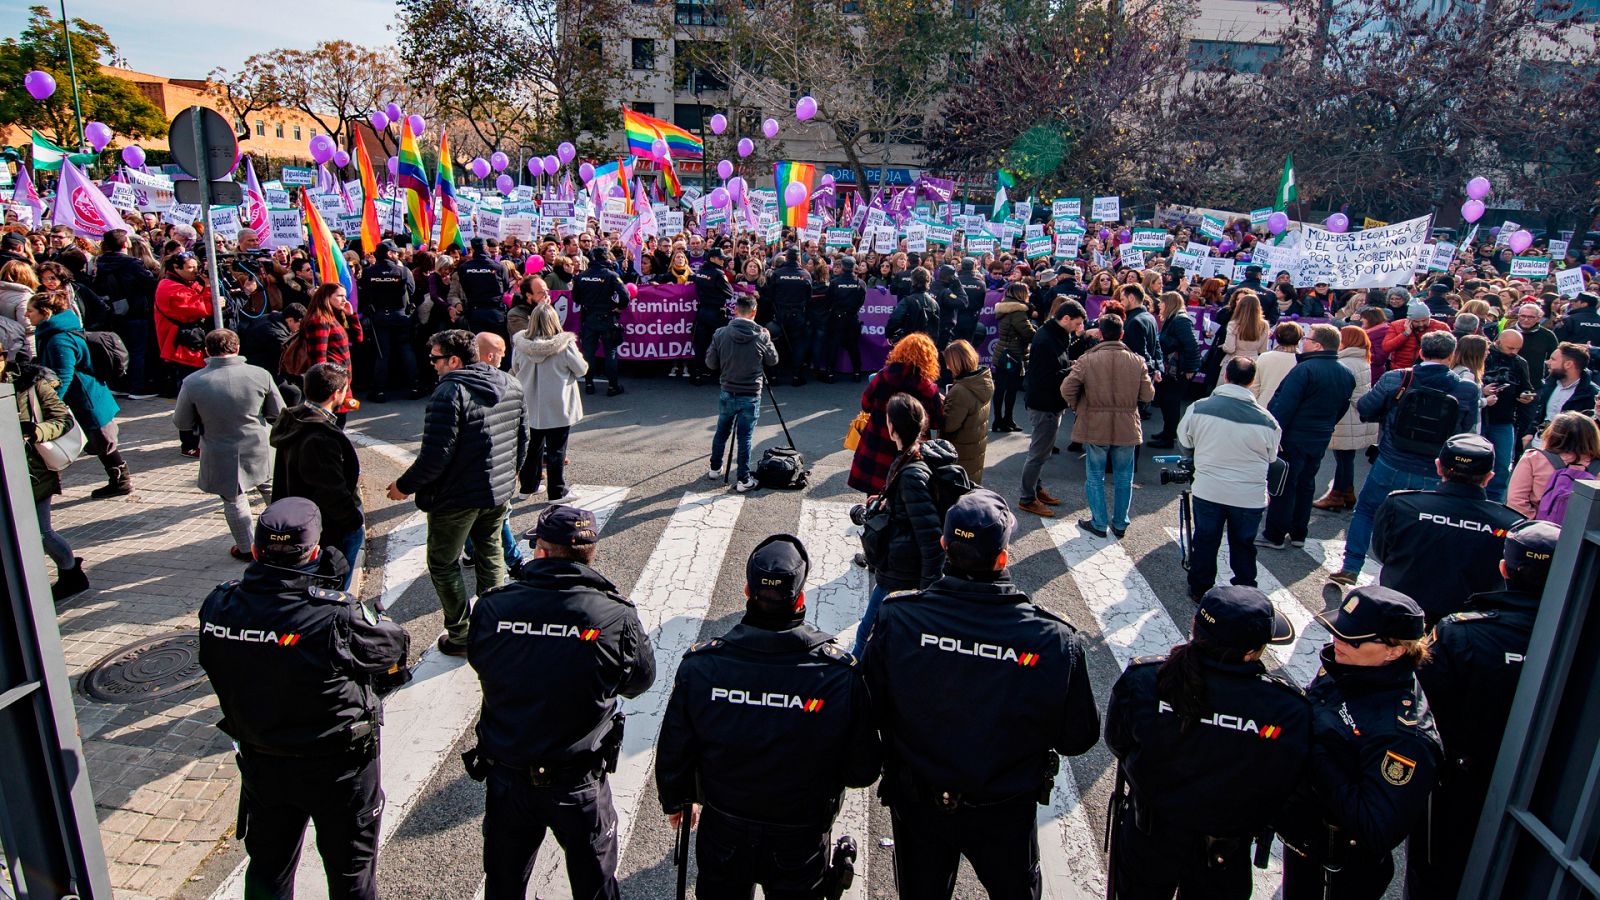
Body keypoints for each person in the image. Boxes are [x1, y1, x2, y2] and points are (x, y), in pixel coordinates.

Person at [861, 490, 1100, 899]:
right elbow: (1078, 738)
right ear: (1003, 557)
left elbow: (867, 708)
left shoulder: (898, 616)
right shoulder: (1052, 638)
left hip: (918, 801)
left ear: (943, 546)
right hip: (1005, 808)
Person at [197, 497, 409, 900]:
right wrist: (332, 590)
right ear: (313, 552)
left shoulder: (218, 605)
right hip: (339, 768)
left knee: (269, 868)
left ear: (256, 550)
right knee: (351, 875)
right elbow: (392, 653)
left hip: (264, 762)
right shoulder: (337, 615)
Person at [656, 534, 881, 899]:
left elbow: (674, 748)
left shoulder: (702, 666)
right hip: (801, 834)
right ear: (801, 598)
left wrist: (678, 800)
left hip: (724, 826)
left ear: (747, 591)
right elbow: (863, 771)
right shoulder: (840, 674)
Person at [465, 505, 655, 900]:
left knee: (503, 885)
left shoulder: (493, 606)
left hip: (508, 777)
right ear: (591, 553)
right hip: (579, 783)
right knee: (596, 888)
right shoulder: (615, 615)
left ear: (542, 553)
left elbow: (479, 659)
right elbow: (639, 682)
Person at [1106, 586, 1311, 899]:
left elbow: (1118, 742)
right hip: (1224, 850)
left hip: (1149, 833)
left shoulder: (1146, 679)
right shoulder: (1287, 709)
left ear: (1194, 628)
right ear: (1253, 652)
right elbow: (1283, 781)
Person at [1408, 520, 1561, 900]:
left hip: (1462, 781)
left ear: (1504, 568)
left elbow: (1423, 710)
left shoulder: (1462, 632)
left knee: (1438, 873)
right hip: (1552, 786)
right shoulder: (1575, 634)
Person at [1277, 586, 1443, 900]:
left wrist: (1313, 752)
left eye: (1352, 639)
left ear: (1395, 650)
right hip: (1305, 843)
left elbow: (1375, 827)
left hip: (1338, 868)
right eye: (1338, 631)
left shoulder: (1404, 737)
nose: (1337, 642)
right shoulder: (1349, 667)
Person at [386, 329, 525, 657]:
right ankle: (493, 627)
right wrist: (509, 478)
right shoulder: (512, 384)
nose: (432, 364)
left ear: (454, 359)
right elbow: (524, 440)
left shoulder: (449, 393)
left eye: (435, 358)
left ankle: (461, 635)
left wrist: (403, 487)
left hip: (456, 498)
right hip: (497, 491)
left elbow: (435, 456)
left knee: (443, 561)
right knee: (490, 554)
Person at [1334, 331, 1480, 586]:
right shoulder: (1466, 388)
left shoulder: (1398, 378)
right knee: (1421, 521)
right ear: (1452, 355)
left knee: (1367, 510)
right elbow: (1465, 427)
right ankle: (1406, 575)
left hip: (1393, 458)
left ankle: (1352, 565)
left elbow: (1366, 407)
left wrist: (1388, 414)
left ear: (1421, 352)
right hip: (1434, 466)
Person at [1369, 434, 1520, 625]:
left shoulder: (1401, 505)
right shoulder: (1511, 524)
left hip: (1399, 617)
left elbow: (1382, 551)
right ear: (1489, 477)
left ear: (1439, 466)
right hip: (1467, 628)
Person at [855, 393, 960, 656]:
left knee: (866, 631)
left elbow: (930, 537)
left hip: (902, 571)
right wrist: (885, 501)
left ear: (892, 427)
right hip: (903, 564)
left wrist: (927, 591)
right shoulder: (913, 455)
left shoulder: (912, 472)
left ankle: (852, 682)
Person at [174, 329, 285, 560]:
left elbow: (182, 421)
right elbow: (278, 413)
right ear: (237, 348)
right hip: (258, 444)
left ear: (207, 351)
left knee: (233, 498)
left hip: (219, 448)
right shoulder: (260, 375)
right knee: (271, 490)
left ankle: (247, 548)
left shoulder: (193, 382)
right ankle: (284, 536)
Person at [1177, 358, 1280, 601]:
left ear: (1226, 376)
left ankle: (1200, 588)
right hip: (1249, 495)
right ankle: (1245, 591)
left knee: (1205, 539)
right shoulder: (1268, 421)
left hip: (1209, 488)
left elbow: (1184, 442)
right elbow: (1272, 457)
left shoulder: (1199, 408)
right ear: (1252, 382)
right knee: (1244, 544)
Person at [27, 290, 133, 499]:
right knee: (101, 441)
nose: (27, 315)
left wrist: (53, 403)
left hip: (86, 399)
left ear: (45, 313)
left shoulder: (59, 339)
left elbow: (63, 375)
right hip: (88, 396)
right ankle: (119, 479)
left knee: (102, 441)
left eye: (30, 311)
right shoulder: (56, 330)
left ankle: (121, 480)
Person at [1259, 324, 1356, 550]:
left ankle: (1274, 534)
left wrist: (1274, 433)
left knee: (1285, 484)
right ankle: (1298, 532)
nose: (1304, 341)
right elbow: (1341, 408)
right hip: (1320, 435)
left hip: (1294, 436)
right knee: (1306, 484)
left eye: (1309, 339)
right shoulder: (1345, 373)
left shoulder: (1305, 369)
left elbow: (1284, 405)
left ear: (1318, 345)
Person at [5, 338, 87, 600]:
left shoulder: (31, 383)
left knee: (41, 533)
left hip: (32, 472)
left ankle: (71, 573)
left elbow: (62, 419)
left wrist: (37, 431)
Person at [270, 363, 364, 590]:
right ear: (336, 394)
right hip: (328, 526)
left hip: (301, 519)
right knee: (333, 587)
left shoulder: (293, 420)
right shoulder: (320, 436)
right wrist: (353, 521)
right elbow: (329, 488)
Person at [1061, 314, 1155, 538]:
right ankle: (1120, 522)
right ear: (1122, 334)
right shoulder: (1137, 360)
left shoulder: (1087, 359)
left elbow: (1067, 388)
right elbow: (1148, 394)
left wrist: (1078, 406)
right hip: (1126, 423)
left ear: (1100, 334)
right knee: (1124, 477)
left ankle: (1099, 521)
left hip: (1095, 422)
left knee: (1095, 475)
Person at [848, 333, 943, 495]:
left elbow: (866, 404)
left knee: (874, 497)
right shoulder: (928, 388)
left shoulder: (883, 376)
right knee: (903, 497)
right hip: (910, 450)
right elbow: (937, 422)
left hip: (877, 444)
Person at [511, 302, 587, 502]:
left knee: (531, 447)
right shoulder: (565, 345)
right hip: (557, 404)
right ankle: (557, 491)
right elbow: (581, 369)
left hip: (529, 403)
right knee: (556, 449)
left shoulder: (520, 345)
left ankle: (528, 486)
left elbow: (515, 368)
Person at [704, 293, 779, 493]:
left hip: (728, 390)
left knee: (722, 431)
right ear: (754, 311)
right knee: (745, 438)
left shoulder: (720, 333)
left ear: (735, 310)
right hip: (751, 393)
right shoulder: (762, 335)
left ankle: (714, 468)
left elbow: (710, 363)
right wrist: (768, 340)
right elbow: (773, 361)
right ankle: (743, 479)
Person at [1017, 301, 1085, 517]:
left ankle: (1035, 489)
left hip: (1051, 402)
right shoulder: (1046, 339)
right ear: (1065, 319)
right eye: (1077, 323)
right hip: (1044, 403)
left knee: (1043, 452)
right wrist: (1071, 369)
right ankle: (1027, 497)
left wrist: (1069, 364)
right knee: (1038, 454)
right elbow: (1045, 378)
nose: (1078, 327)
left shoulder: (1056, 334)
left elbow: (1058, 365)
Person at [154, 252, 215, 448]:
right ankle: (189, 443)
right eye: (190, 267)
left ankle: (197, 440)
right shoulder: (169, 287)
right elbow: (200, 308)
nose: (196, 270)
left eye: (196, 266)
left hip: (192, 348)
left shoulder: (185, 282)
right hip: (182, 350)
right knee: (190, 398)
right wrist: (208, 289)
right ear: (176, 269)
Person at [1315, 325, 1378, 511]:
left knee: (1343, 458)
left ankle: (1338, 494)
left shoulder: (1347, 362)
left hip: (1347, 416)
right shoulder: (1361, 359)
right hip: (1356, 416)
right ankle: (1346, 492)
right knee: (1345, 458)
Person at [92, 228, 160, 399]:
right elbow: (150, 284)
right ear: (125, 244)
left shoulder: (99, 262)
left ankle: (119, 384)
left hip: (113, 313)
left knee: (120, 350)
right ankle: (137, 388)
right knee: (137, 351)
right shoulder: (131, 263)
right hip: (135, 312)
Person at [1506, 411, 1600, 518]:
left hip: (1539, 529)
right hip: (1582, 531)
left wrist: (1535, 525)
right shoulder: (1597, 465)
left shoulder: (1534, 458)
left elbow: (1516, 500)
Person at [1479, 328, 1534, 502]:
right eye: (1510, 348)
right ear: (1499, 342)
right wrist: (1482, 392)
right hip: (1480, 416)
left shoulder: (1520, 362)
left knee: (1502, 464)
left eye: (1517, 349)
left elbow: (1526, 387)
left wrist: (1526, 396)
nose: (1514, 352)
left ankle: (1494, 501)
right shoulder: (1484, 356)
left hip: (1504, 419)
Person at [358, 240, 417, 402]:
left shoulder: (369, 272)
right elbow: (412, 291)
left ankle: (379, 391)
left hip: (380, 317)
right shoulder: (403, 271)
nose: (398, 255)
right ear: (389, 254)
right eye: (395, 252)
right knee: (405, 350)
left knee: (382, 354)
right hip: (400, 316)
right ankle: (414, 387)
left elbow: (365, 294)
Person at [300, 283, 363, 417]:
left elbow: (357, 338)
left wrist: (351, 316)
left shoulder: (333, 317)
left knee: (339, 425)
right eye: (340, 296)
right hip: (331, 387)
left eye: (345, 296)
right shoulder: (320, 320)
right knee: (332, 427)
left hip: (341, 381)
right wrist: (326, 390)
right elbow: (319, 360)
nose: (344, 300)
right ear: (326, 297)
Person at [571, 251, 630, 396]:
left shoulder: (581, 276)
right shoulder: (611, 275)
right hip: (607, 317)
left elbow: (576, 297)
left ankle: (589, 385)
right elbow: (625, 296)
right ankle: (612, 386)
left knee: (588, 353)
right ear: (606, 258)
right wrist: (618, 307)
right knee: (610, 352)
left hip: (589, 317)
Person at [1147, 291, 1200, 449]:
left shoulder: (1180, 321)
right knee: (1165, 401)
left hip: (1179, 371)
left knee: (1171, 402)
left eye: (1162, 302)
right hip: (1172, 369)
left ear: (1169, 303)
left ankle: (1169, 437)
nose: (1159, 305)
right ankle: (1166, 432)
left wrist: (1190, 368)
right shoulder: (1173, 319)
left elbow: (1191, 345)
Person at [1527, 342, 1597, 449]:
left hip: (1567, 453)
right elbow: (1540, 412)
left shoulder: (1591, 393)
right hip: (1537, 445)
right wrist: (1529, 433)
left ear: (1568, 364)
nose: (1547, 362)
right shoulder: (1549, 384)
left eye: (1553, 359)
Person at [940, 340, 992, 484]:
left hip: (960, 455)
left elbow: (949, 425)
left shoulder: (960, 390)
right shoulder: (982, 380)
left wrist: (941, 406)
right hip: (974, 452)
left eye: (949, 362)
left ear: (957, 363)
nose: (947, 367)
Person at [762, 248, 813, 384]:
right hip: (797, 314)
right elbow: (809, 297)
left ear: (786, 258)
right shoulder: (805, 275)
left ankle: (773, 376)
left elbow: (769, 294)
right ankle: (796, 376)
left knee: (775, 344)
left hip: (779, 314)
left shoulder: (777, 274)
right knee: (798, 344)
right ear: (798, 258)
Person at [991, 282, 1035, 433]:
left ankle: (998, 419)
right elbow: (1028, 334)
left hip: (1002, 353)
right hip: (1013, 355)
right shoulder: (1018, 312)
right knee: (1010, 389)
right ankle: (1007, 419)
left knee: (1000, 388)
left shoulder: (1004, 308)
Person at [689, 245, 734, 386]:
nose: (723, 261)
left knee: (700, 345)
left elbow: (694, 279)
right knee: (720, 344)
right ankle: (720, 374)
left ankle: (697, 375)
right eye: (721, 259)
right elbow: (729, 293)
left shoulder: (701, 271)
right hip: (716, 314)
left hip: (702, 312)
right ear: (713, 259)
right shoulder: (719, 274)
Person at [451, 237, 513, 338]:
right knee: (497, 345)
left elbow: (464, 286)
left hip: (475, 313)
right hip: (495, 313)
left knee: (477, 346)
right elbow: (505, 287)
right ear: (486, 248)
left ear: (472, 249)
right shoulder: (499, 267)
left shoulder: (464, 267)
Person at [821, 256, 867, 383]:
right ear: (854, 268)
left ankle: (830, 374)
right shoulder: (860, 283)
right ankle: (857, 373)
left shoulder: (835, 283)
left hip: (837, 318)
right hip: (852, 318)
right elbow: (861, 301)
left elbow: (828, 300)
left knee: (833, 345)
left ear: (842, 267)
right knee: (853, 346)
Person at [1382, 302, 1451, 371]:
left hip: (1430, 370)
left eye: (1424, 320)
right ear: (1409, 320)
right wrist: (1405, 334)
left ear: (1429, 317)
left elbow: (1451, 349)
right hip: (1401, 370)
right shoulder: (1396, 325)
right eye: (1416, 322)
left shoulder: (1441, 327)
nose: (1421, 324)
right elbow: (1386, 347)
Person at [886, 267, 940, 345]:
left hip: (909, 344)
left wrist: (889, 334)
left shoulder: (907, 301)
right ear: (928, 281)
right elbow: (936, 329)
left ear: (913, 281)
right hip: (927, 345)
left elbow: (894, 320)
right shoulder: (934, 303)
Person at [1254, 321, 1303, 405]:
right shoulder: (1303, 361)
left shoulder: (1264, 357)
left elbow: (1254, 387)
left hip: (1263, 405)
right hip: (1290, 408)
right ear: (1299, 338)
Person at [1219, 289, 1269, 365]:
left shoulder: (1233, 324)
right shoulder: (1264, 324)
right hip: (1254, 361)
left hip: (1234, 360)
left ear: (1240, 306)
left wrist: (1223, 346)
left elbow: (1229, 348)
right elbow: (1263, 349)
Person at [932, 264, 964, 348]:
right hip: (944, 330)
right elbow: (963, 302)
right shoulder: (945, 292)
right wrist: (958, 286)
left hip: (932, 328)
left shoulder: (931, 286)